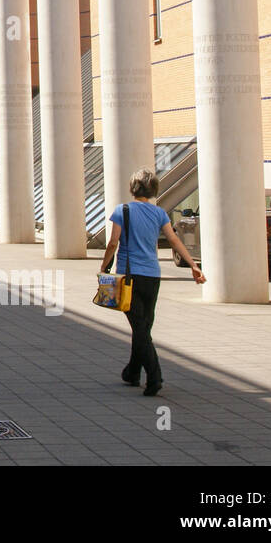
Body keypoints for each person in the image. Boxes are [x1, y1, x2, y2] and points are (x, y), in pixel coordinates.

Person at [99, 169, 205, 398]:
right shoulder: (159, 214)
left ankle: (154, 378)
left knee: (139, 327)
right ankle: (132, 372)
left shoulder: (123, 210)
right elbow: (174, 239)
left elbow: (113, 242)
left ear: (133, 188)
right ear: (153, 189)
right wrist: (193, 265)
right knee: (143, 326)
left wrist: (103, 267)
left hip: (129, 278)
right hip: (152, 277)